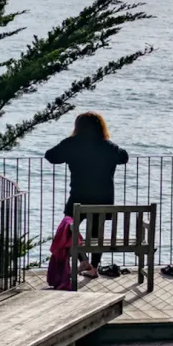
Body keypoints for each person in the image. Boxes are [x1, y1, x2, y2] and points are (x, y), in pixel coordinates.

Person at [45, 112, 129, 279]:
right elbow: (124, 157)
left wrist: (68, 150)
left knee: (68, 228)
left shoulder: (72, 144)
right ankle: (94, 268)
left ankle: (83, 259)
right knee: (96, 235)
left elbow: (50, 156)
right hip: (103, 199)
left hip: (78, 197)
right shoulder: (109, 147)